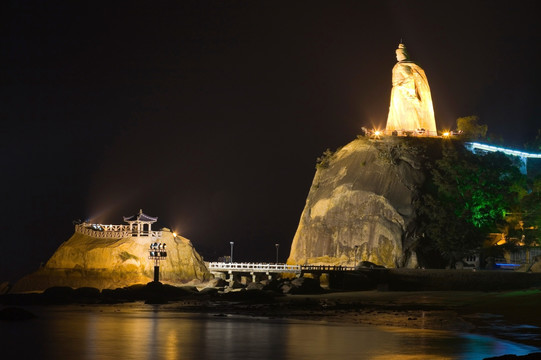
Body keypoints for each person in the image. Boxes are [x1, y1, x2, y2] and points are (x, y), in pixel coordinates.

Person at [386, 43, 437, 136]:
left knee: (405, 112)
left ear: (402, 54)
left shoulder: (401, 66)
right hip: (397, 92)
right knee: (398, 113)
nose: (396, 56)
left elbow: (409, 78)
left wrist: (401, 87)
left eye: (397, 54)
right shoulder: (399, 65)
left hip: (403, 92)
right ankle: (398, 131)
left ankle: (410, 131)